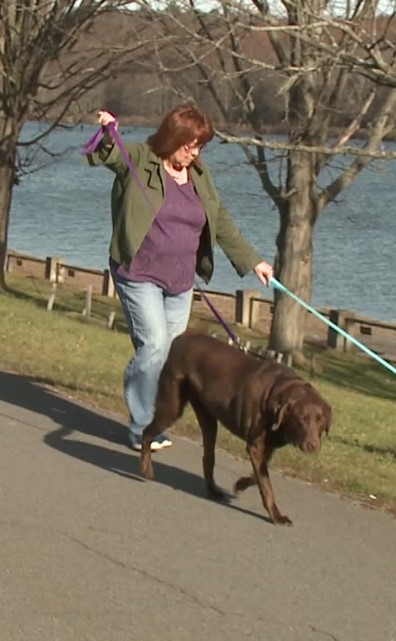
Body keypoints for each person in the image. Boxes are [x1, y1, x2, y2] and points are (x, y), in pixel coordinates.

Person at [85, 104, 274, 452]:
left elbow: (220, 220)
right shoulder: (141, 159)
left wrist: (253, 261)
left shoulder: (199, 175)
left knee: (168, 354)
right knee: (154, 345)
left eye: (200, 147)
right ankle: (144, 426)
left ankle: (148, 404)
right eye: (190, 145)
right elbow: (107, 156)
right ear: (173, 137)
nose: (194, 153)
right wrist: (109, 133)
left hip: (180, 281)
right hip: (138, 273)